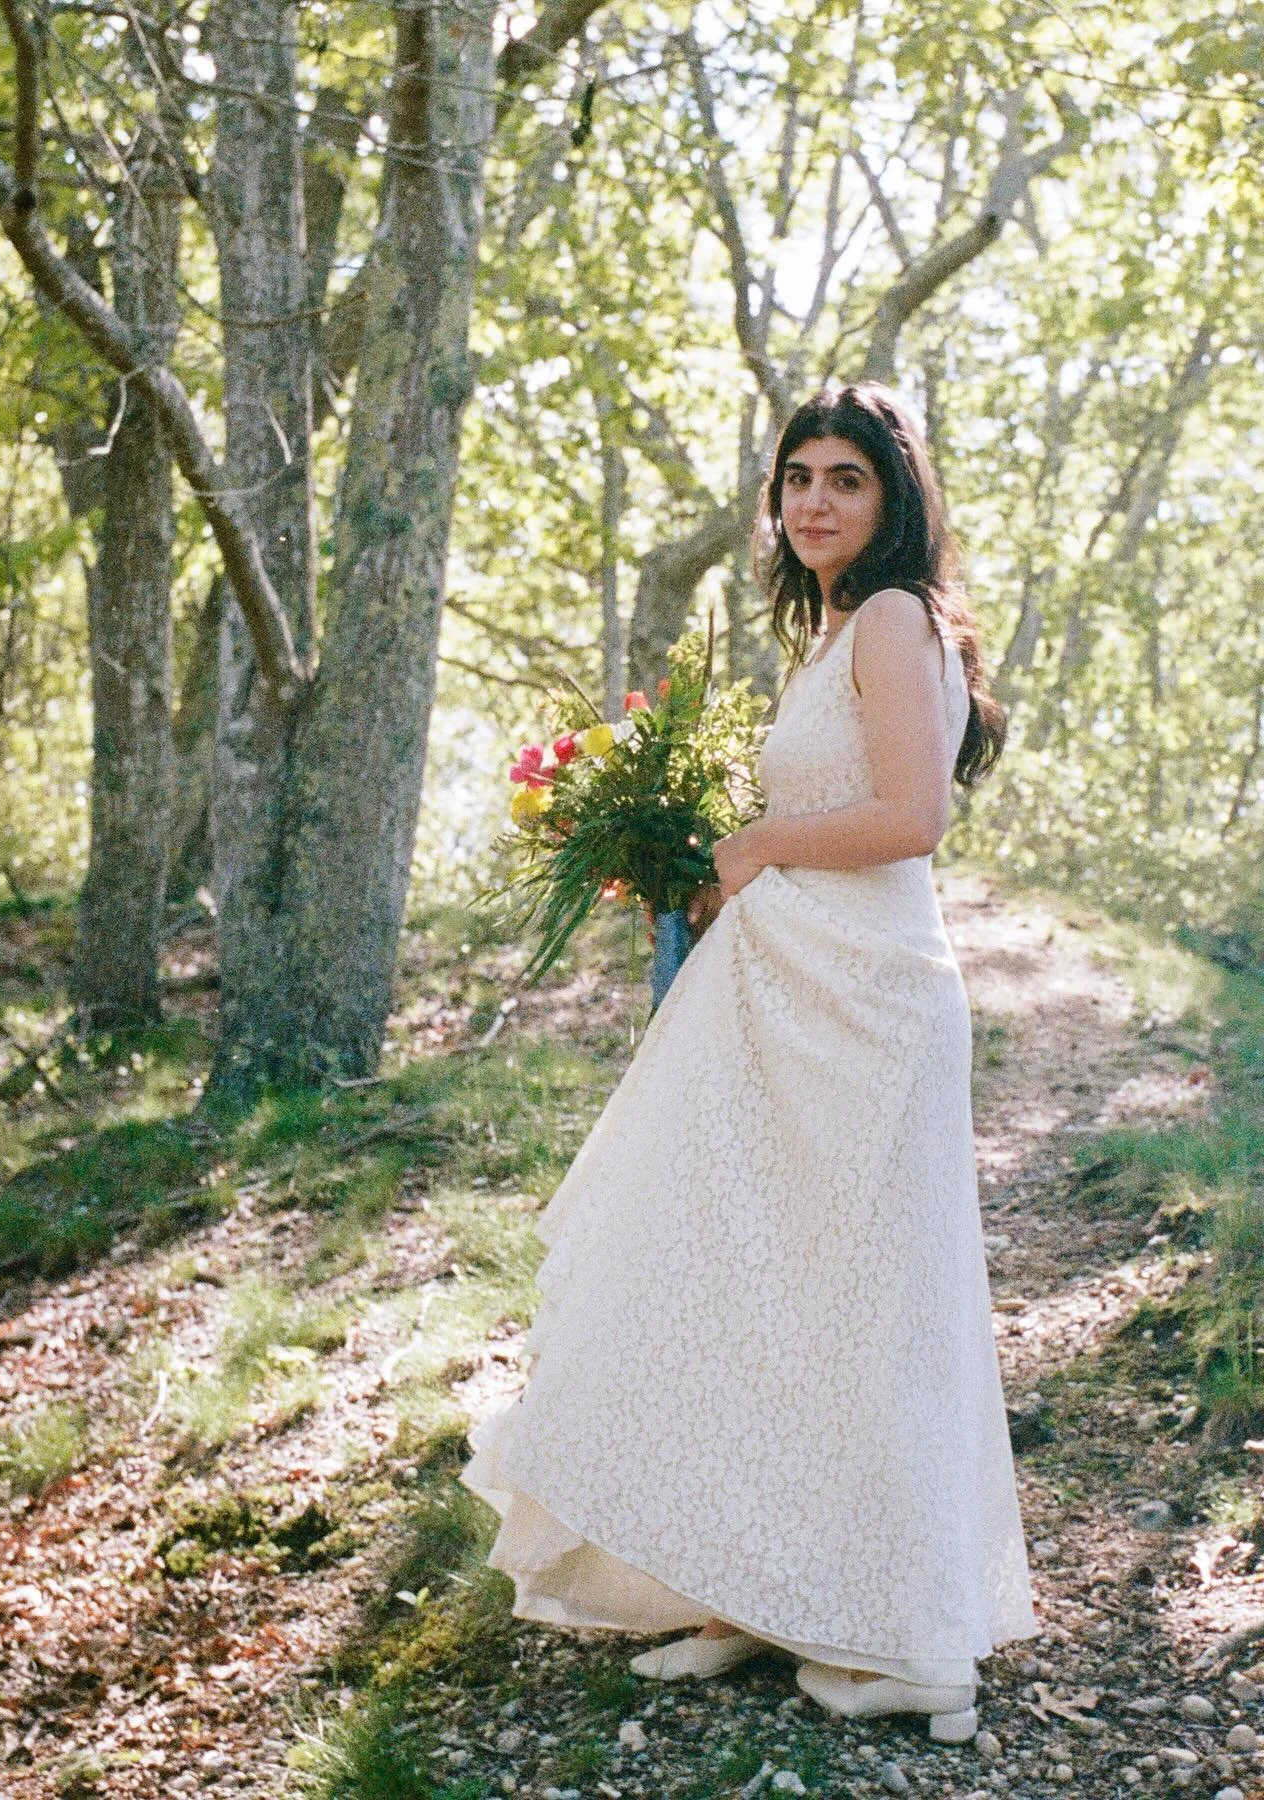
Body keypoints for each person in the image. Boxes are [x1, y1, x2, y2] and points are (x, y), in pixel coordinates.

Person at [458, 380, 1040, 1743]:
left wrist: (757, 848)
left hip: (872, 1004)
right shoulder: (832, 628)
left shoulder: (895, 619)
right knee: (758, 1283)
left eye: (846, 478)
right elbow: (824, 800)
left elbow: (913, 815)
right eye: (798, 479)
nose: (816, 501)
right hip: (790, 987)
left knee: (867, 1306)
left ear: (893, 500)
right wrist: (697, 863)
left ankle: (904, 1639)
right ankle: (747, 1590)